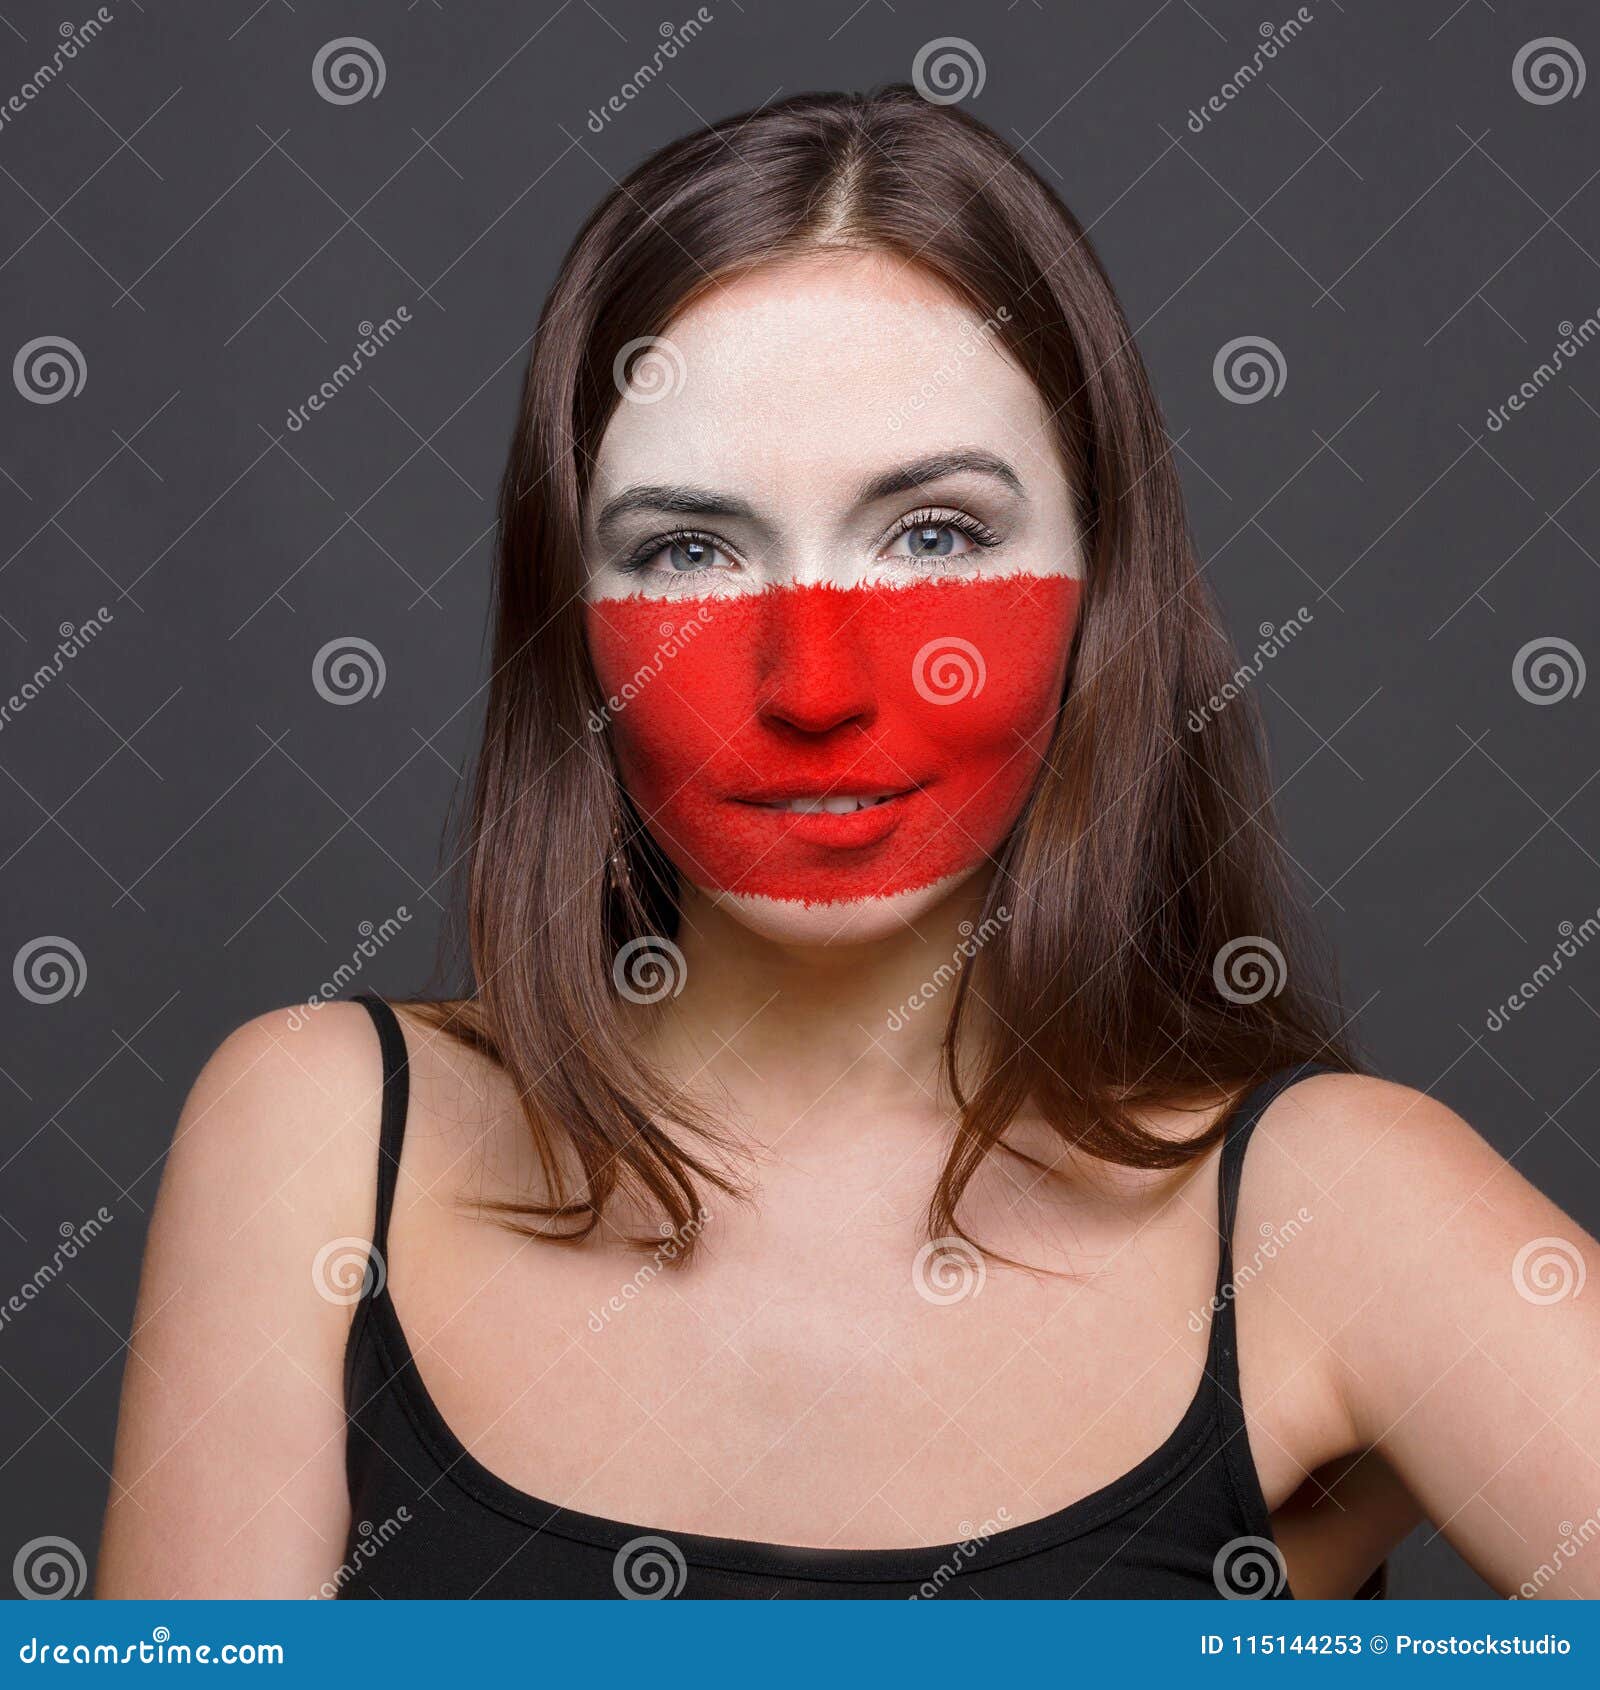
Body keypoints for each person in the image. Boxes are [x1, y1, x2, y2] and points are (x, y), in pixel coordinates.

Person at [98, 88, 1599, 1600]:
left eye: (935, 534)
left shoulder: (1333, 1214)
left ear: (1106, 597)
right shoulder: (321, 1145)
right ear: (569, 628)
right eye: (688, 549)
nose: (812, 689)